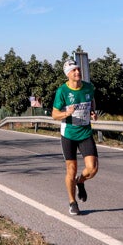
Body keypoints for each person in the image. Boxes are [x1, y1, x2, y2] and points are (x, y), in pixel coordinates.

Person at [51, 58, 98, 215]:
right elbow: (54, 114)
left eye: (78, 69)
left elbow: (91, 102)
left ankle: (80, 181)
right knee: (71, 170)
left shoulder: (88, 87)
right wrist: (66, 113)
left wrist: (93, 112)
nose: (77, 72)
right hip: (69, 135)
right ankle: (72, 202)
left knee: (92, 168)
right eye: (73, 70)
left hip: (85, 133)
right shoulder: (62, 91)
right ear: (68, 74)